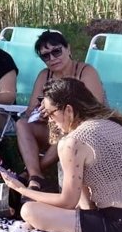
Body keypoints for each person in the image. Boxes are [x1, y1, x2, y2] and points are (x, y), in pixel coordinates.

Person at [1, 78, 122, 232]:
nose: (49, 120)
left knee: (29, 211)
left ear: (68, 110)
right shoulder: (114, 122)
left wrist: (23, 190)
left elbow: (67, 202)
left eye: (51, 113)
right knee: (77, 182)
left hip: (121, 225)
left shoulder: (74, 141)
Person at [16, 31, 106, 191]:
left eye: (56, 51)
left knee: (68, 127)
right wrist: (42, 112)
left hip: (80, 128)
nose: (52, 58)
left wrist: (58, 109)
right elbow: (30, 111)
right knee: (22, 124)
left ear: (68, 49)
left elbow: (95, 107)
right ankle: (36, 175)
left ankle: (31, 174)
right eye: (46, 56)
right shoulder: (45, 75)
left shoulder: (85, 72)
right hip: (51, 127)